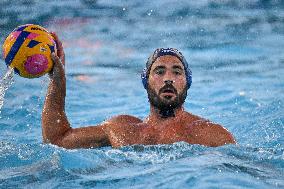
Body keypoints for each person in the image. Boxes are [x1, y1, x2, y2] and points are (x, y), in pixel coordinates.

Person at [42, 33, 236, 149]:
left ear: (187, 82)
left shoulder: (212, 135)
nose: (168, 78)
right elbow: (57, 140)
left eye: (177, 71)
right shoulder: (121, 130)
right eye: (159, 71)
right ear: (146, 81)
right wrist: (57, 81)